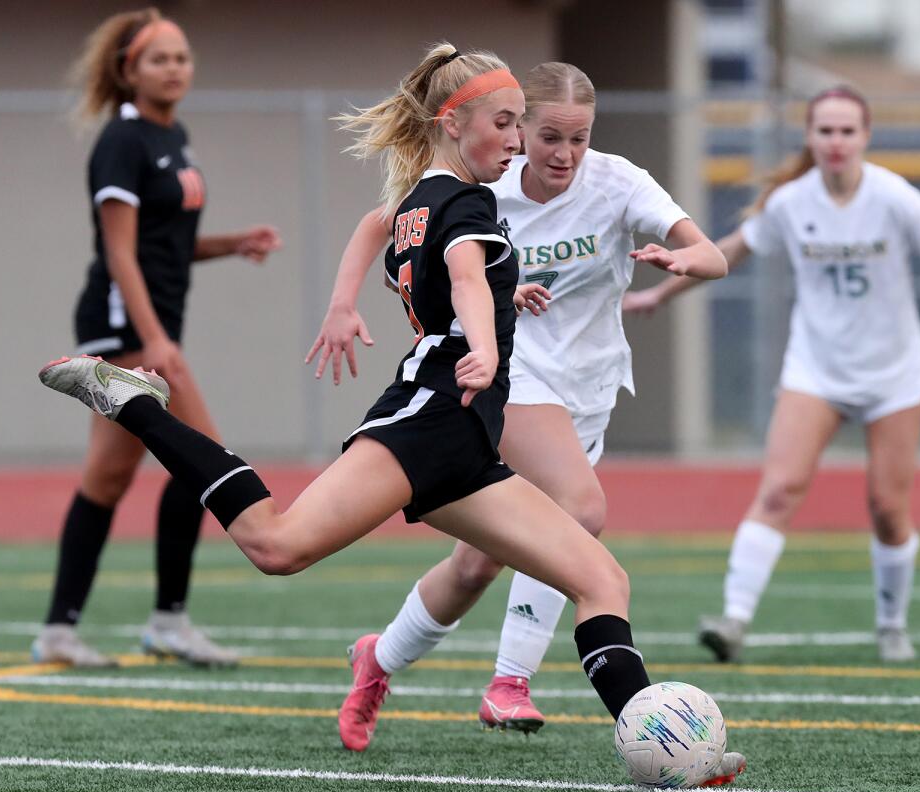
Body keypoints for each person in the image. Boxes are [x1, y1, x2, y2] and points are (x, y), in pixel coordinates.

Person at [38, 43, 731, 780]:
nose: (518, 139)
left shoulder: (426, 198)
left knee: (600, 579)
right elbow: (465, 276)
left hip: (467, 442)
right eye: (506, 123)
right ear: (454, 121)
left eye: (519, 124)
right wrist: (489, 343)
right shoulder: (463, 201)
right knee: (276, 546)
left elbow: (452, 269)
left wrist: (481, 307)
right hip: (430, 417)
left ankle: (663, 745)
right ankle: (138, 407)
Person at [311, 62, 730, 750]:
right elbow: (385, 227)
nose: (564, 154)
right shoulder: (484, 181)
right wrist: (343, 303)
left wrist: (687, 262)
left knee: (477, 563)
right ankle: (511, 683)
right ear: (518, 131)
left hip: (590, 384)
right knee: (582, 509)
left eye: (579, 138)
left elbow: (711, 254)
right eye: (547, 136)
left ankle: (377, 659)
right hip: (511, 373)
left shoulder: (617, 180)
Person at [626, 85, 920, 663]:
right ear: (810, 138)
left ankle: (892, 625)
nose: (836, 142)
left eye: (847, 131)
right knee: (780, 488)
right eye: (825, 131)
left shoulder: (895, 198)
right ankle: (733, 621)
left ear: (865, 137)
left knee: (888, 508)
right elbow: (729, 251)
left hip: (894, 374)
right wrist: (661, 295)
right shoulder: (792, 203)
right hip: (815, 368)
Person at [31, 8, 282, 668]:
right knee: (202, 456)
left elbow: (163, 243)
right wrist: (154, 341)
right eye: (159, 59)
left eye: (181, 57)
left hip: (149, 325)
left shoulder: (175, 135)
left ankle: (61, 629)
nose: (175, 68)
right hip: (123, 327)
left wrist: (231, 245)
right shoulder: (123, 140)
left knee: (108, 482)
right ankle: (167, 620)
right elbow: (120, 252)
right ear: (128, 72)